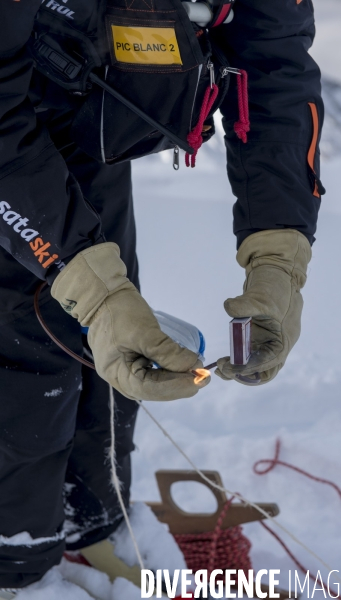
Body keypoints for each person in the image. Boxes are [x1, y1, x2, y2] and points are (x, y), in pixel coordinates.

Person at [0, 0, 324, 594]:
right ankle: (17, 565)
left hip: (87, 124)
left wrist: (279, 257)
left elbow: (274, 70)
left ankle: (93, 525)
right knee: (23, 366)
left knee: (113, 350)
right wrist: (88, 287)